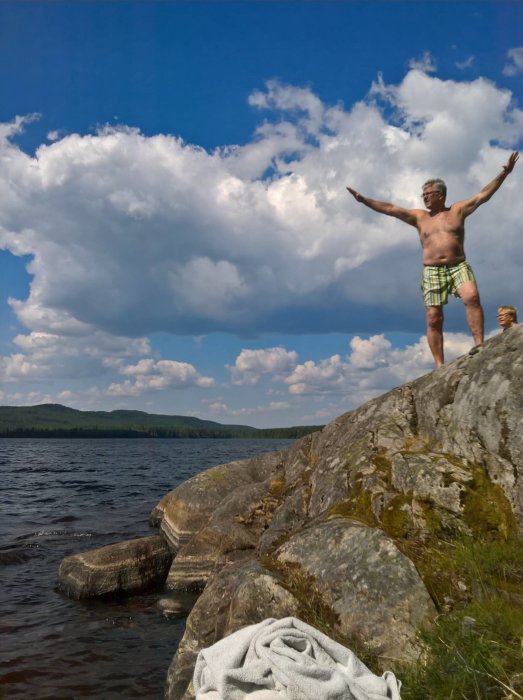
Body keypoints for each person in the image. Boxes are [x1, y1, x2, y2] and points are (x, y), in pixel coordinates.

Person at [346, 152, 519, 368]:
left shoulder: (457, 210)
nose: (425, 198)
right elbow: (391, 209)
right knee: (434, 317)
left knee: (472, 297)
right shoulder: (420, 217)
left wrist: (504, 173)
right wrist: (364, 201)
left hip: (458, 265)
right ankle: (439, 364)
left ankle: (479, 345)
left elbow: (483, 195)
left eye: (428, 194)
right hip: (432, 270)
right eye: (423, 195)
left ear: (440, 195)